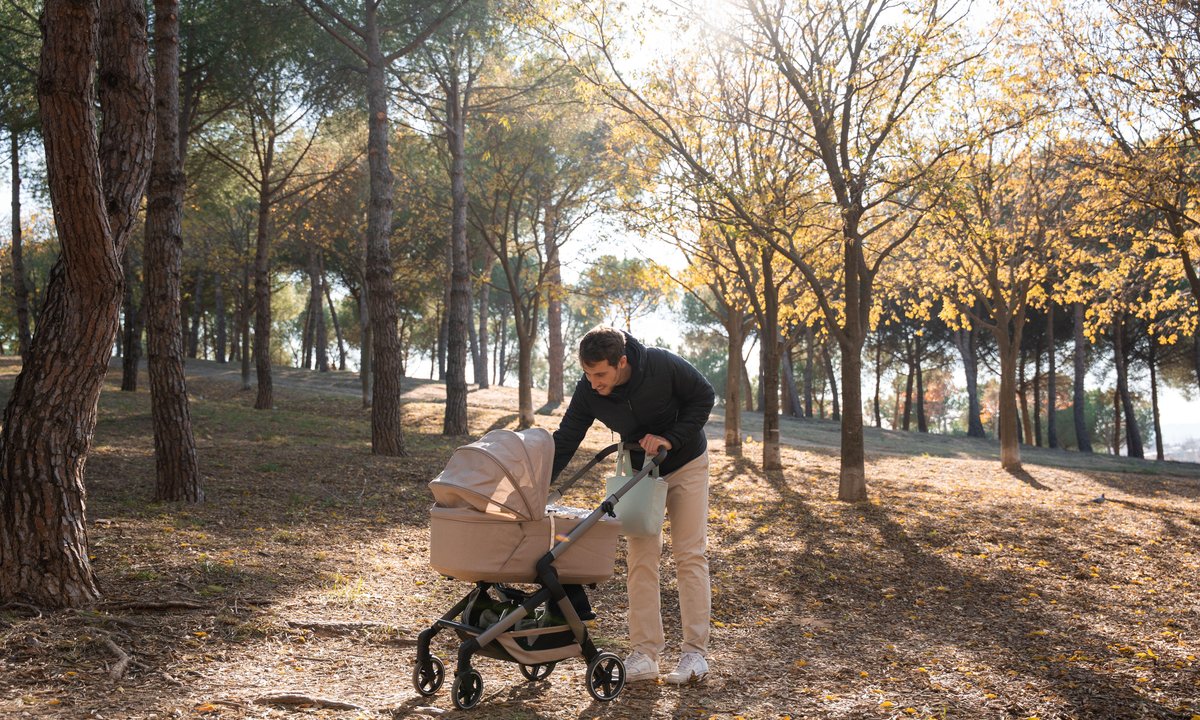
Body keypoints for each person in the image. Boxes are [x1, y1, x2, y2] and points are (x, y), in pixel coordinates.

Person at [551, 326, 715, 684]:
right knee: (641, 557)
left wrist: (671, 439)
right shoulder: (589, 389)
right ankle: (645, 653)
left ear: (621, 362)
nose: (593, 383)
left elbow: (704, 396)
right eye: (587, 374)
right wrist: (540, 484)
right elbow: (567, 437)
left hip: (686, 462)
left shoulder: (660, 364)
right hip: (641, 471)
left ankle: (694, 655)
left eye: (600, 374)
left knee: (689, 554)